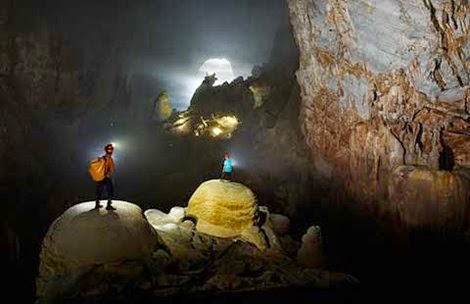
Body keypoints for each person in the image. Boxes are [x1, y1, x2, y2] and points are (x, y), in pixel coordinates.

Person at [95, 144, 116, 210]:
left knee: (99, 191)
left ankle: (97, 204)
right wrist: (108, 174)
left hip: (100, 177)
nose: (110, 150)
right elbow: (111, 168)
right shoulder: (108, 158)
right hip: (106, 177)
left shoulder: (102, 157)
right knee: (110, 190)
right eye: (109, 149)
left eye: (111, 149)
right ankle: (108, 205)